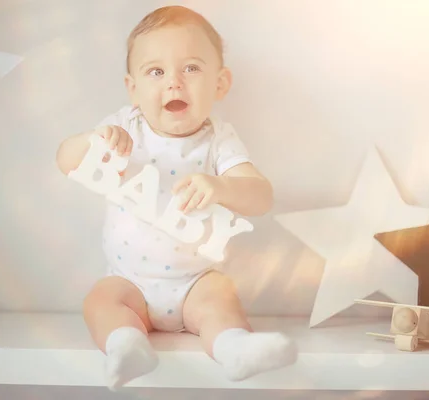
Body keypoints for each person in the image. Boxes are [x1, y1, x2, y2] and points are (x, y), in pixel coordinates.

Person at [56, 5, 297, 391]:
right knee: (99, 301)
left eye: (191, 68)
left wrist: (223, 187)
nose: (174, 83)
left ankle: (234, 349)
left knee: (221, 295)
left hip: (195, 282)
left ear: (220, 84)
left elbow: (261, 196)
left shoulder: (219, 140)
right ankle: (126, 345)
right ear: (132, 88)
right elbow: (65, 159)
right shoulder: (123, 127)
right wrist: (93, 142)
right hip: (127, 281)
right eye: (156, 71)